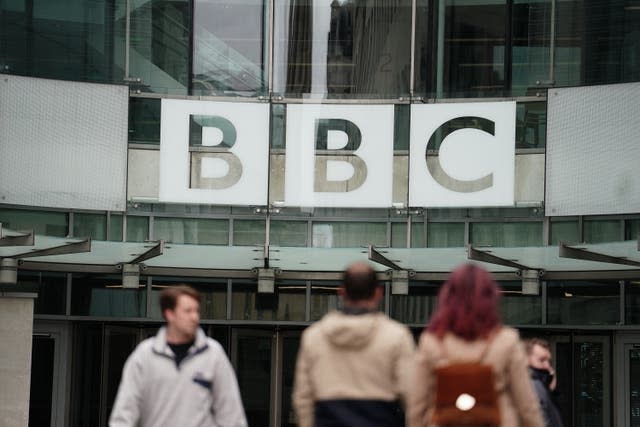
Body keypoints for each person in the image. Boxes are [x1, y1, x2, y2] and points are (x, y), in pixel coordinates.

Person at [407, 264, 544, 427]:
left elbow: (417, 404)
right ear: (490, 298)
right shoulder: (507, 340)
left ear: (447, 297)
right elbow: (527, 405)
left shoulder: (431, 341)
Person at [292, 261, 415, 427]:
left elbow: (302, 398)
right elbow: (413, 396)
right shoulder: (397, 336)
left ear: (342, 293)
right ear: (378, 293)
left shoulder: (314, 337)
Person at [109, 285, 248, 427]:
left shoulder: (213, 354)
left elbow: (231, 414)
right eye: (188, 311)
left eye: (196, 311)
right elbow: (124, 413)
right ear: (170, 314)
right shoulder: (144, 355)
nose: (195, 317)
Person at [525, 338, 564, 427]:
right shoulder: (532, 386)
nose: (547, 365)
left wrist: (549, 389)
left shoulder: (540, 386)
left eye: (548, 361)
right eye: (541, 360)